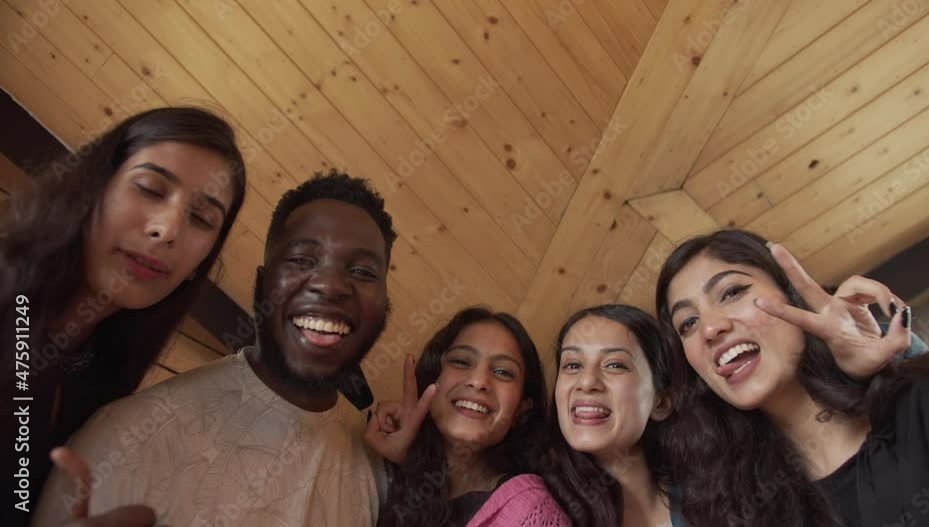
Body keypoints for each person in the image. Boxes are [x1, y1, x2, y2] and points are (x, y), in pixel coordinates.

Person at [33, 171, 395, 526]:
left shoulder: (374, 457)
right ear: (261, 281)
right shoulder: (126, 439)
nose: (330, 285)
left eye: (363, 272)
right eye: (301, 260)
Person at [1, 106, 247, 525]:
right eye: (150, 188)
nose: (167, 229)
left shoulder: (102, 379)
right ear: (93, 188)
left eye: (202, 219)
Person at [656, 229, 929, 526]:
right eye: (688, 323)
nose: (711, 328)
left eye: (731, 293)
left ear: (794, 297)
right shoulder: (737, 509)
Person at [365, 307, 570, 526]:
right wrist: (406, 458)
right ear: (433, 379)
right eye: (461, 362)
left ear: (521, 410)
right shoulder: (393, 472)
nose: (479, 381)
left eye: (503, 372)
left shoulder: (535, 515)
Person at [545, 304, 686, 527]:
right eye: (572, 365)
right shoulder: (531, 510)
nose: (586, 381)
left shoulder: (715, 499)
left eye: (614, 365)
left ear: (661, 403)